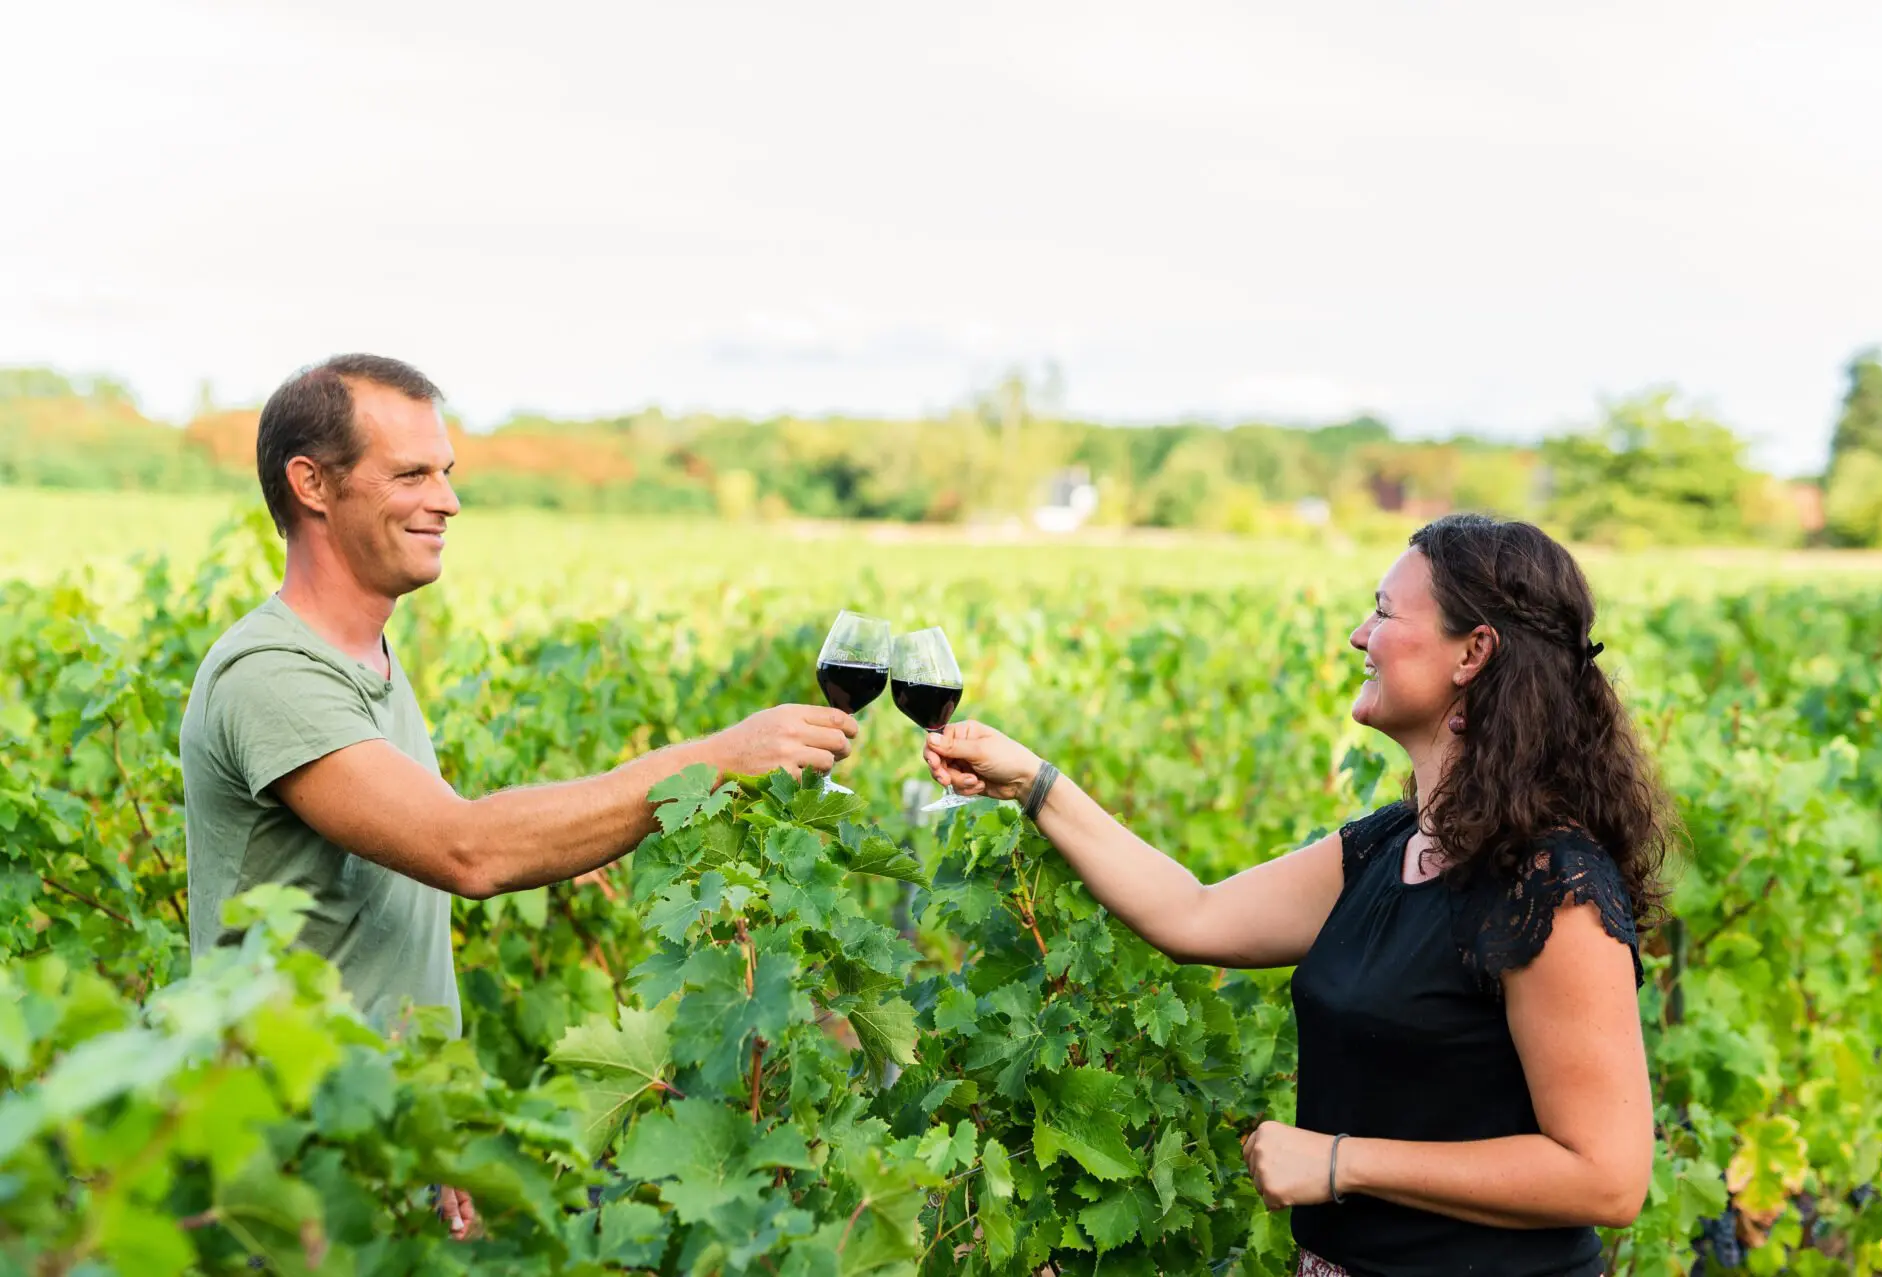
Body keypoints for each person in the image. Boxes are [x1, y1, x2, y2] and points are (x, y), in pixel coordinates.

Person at [179, 354, 857, 1239]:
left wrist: (437, 1119)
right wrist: (715, 760)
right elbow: (469, 850)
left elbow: (386, 928)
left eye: (447, 473)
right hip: (287, 1170)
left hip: (380, 1140)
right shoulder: (272, 677)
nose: (448, 501)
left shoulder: (368, 661)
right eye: (412, 473)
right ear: (311, 484)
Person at [923, 513, 1671, 1276]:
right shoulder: (1391, 845)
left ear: (1473, 652)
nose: (1357, 634)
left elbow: (1606, 1176)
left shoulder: (1551, 883)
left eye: (1383, 611)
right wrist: (1031, 782)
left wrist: (1344, 1162)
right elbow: (1194, 913)